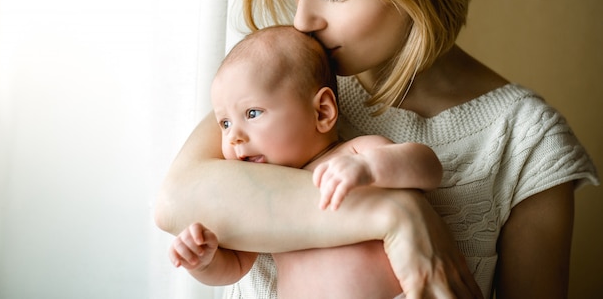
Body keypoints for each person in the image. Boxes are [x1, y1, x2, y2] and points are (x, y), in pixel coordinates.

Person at [155, 0, 599, 298]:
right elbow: (175, 203)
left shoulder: (526, 140)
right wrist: (398, 216)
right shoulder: (282, 86)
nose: (303, 20)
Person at [169, 25, 443, 299]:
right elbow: (237, 266)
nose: (234, 137)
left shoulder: (353, 155)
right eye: (225, 123)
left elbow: (429, 168)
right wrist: (204, 262)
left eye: (252, 113)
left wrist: (370, 168)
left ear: (322, 111)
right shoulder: (258, 195)